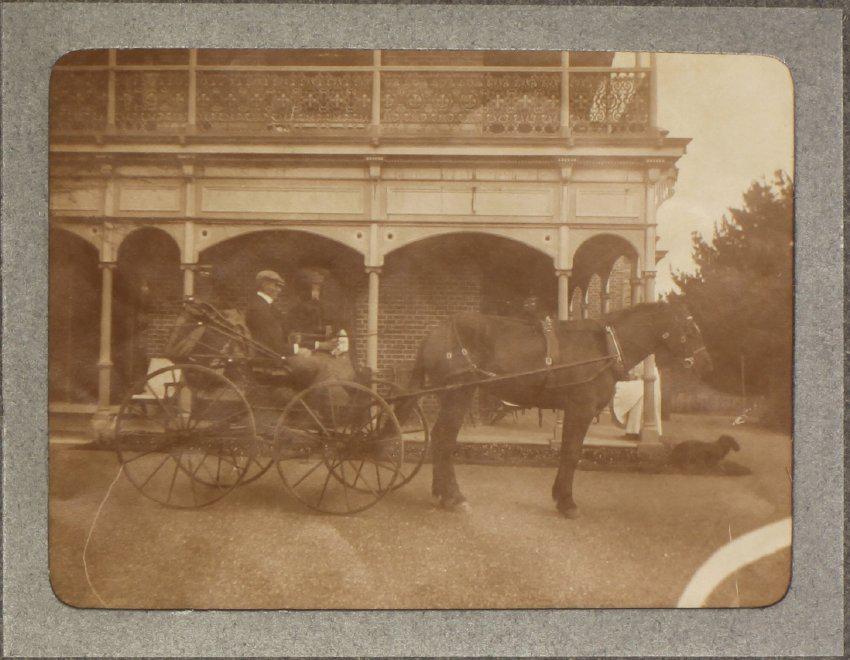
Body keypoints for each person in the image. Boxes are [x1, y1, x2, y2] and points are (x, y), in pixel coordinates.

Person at [245, 270, 337, 357]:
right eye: (276, 286)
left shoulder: (269, 307)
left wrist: (319, 345)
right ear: (265, 285)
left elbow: (290, 335)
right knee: (324, 364)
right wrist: (297, 350)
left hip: (279, 353)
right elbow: (269, 345)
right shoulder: (259, 309)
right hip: (271, 359)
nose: (279, 290)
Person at [611, 361, 663, 438]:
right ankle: (633, 432)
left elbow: (635, 373)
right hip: (642, 381)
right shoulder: (636, 359)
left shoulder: (643, 359)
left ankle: (635, 432)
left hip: (649, 381)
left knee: (638, 402)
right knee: (636, 403)